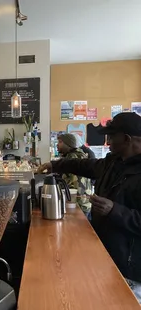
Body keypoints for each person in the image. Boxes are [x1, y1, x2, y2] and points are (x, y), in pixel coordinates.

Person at [39, 112, 141, 302]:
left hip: (130, 270)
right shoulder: (113, 162)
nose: (107, 141)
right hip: (105, 257)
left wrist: (114, 210)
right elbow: (85, 165)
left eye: (111, 136)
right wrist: (55, 165)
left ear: (126, 139)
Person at [56, 134, 92, 218]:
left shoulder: (71, 157)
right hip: (85, 202)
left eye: (60, 142)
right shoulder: (81, 154)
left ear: (68, 144)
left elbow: (71, 184)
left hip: (77, 203)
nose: (57, 144)